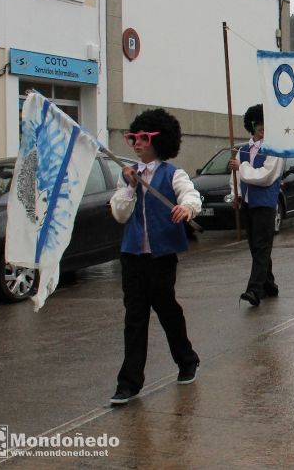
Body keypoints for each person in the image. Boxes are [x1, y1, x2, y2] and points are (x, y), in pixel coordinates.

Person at [109, 108, 202, 406]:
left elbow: (189, 194)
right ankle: (129, 383)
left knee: (166, 310)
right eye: (132, 137)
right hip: (132, 257)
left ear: (158, 141)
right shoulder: (128, 177)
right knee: (134, 318)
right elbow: (120, 214)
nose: (136, 143)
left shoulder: (172, 173)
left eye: (143, 138)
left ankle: (187, 360)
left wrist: (187, 208)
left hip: (161, 257)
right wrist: (131, 187)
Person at [228, 104, 285, 307]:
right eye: (260, 128)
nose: (264, 132)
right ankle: (269, 284)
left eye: (266, 128)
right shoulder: (242, 150)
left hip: (266, 204)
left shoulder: (274, 150)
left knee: (261, 247)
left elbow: (266, 177)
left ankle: (254, 290)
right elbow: (234, 177)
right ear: (252, 127)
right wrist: (236, 194)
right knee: (255, 248)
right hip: (248, 204)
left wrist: (241, 167)